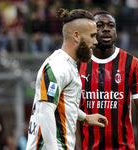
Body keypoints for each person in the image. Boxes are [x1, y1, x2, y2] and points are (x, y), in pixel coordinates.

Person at [25, 8, 108, 150]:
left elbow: (61, 104)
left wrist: (85, 117)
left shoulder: (68, 65)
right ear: (76, 36)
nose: (95, 42)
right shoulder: (57, 67)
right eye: (92, 36)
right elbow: (45, 111)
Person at [75, 10, 138, 150]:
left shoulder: (132, 64)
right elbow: (72, 113)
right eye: (100, 25)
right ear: (90, 31)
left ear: (116, 31)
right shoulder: (77, 64)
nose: (106, 29)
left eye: (111, 25)